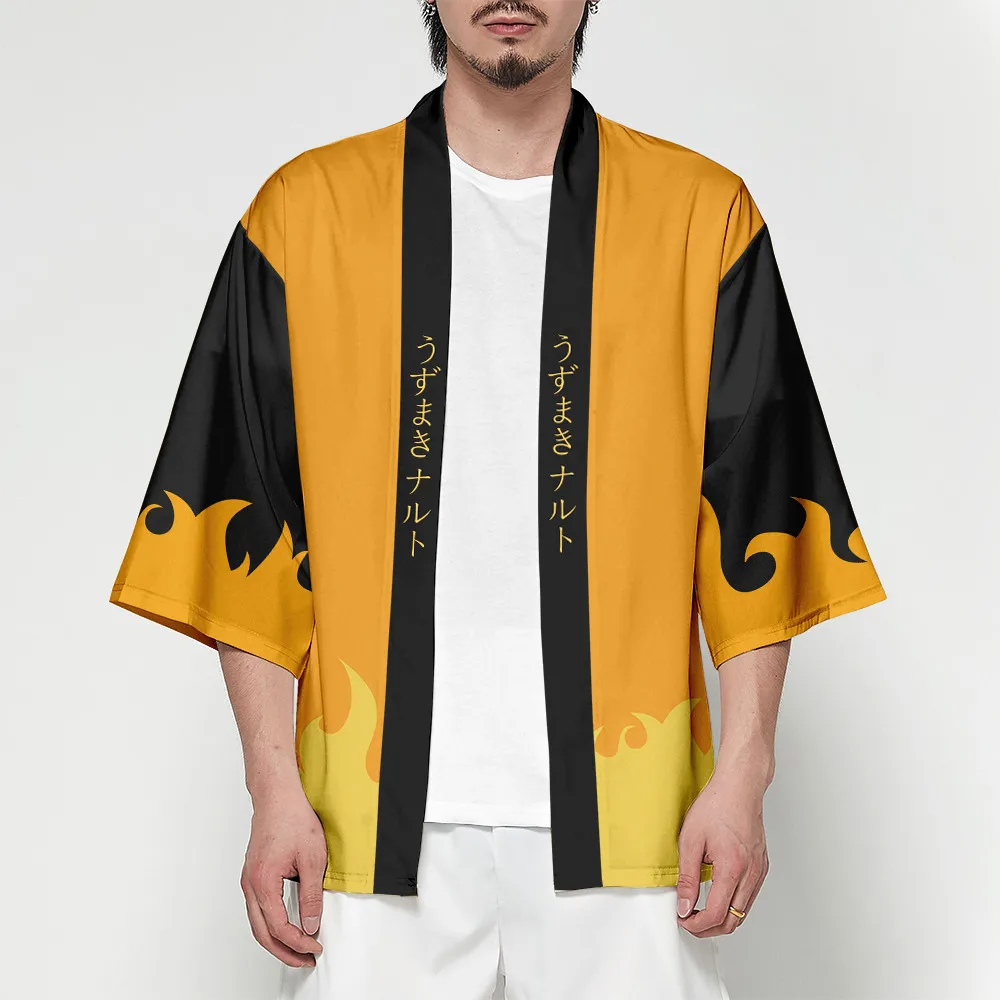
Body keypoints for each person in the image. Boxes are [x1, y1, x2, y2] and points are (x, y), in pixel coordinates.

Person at [109, 1, 886, 996]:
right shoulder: (304, 216)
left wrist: (744, 774)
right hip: (367, 817)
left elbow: (761, 510)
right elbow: (243, 512)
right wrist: (272, 790)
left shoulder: (701, 216)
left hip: (632, 818)